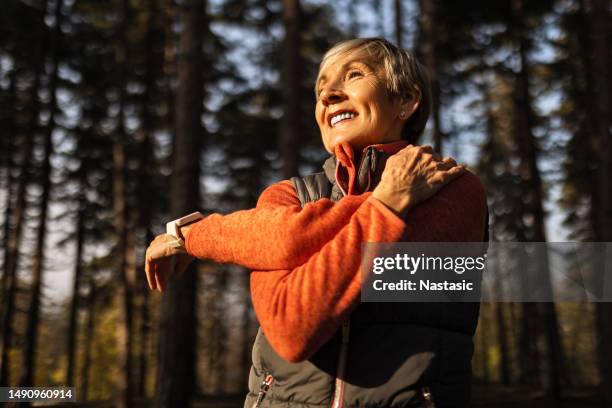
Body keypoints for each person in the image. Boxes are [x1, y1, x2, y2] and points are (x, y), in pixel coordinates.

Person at [145, 38, 488, 408]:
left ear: (406, 100)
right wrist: (388, 202)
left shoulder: (453, 189)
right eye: (321, 87)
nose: (328, 95)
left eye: (354, 75)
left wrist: (200, 235)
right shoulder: (287, 195)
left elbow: (294, 262)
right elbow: (289, 324)